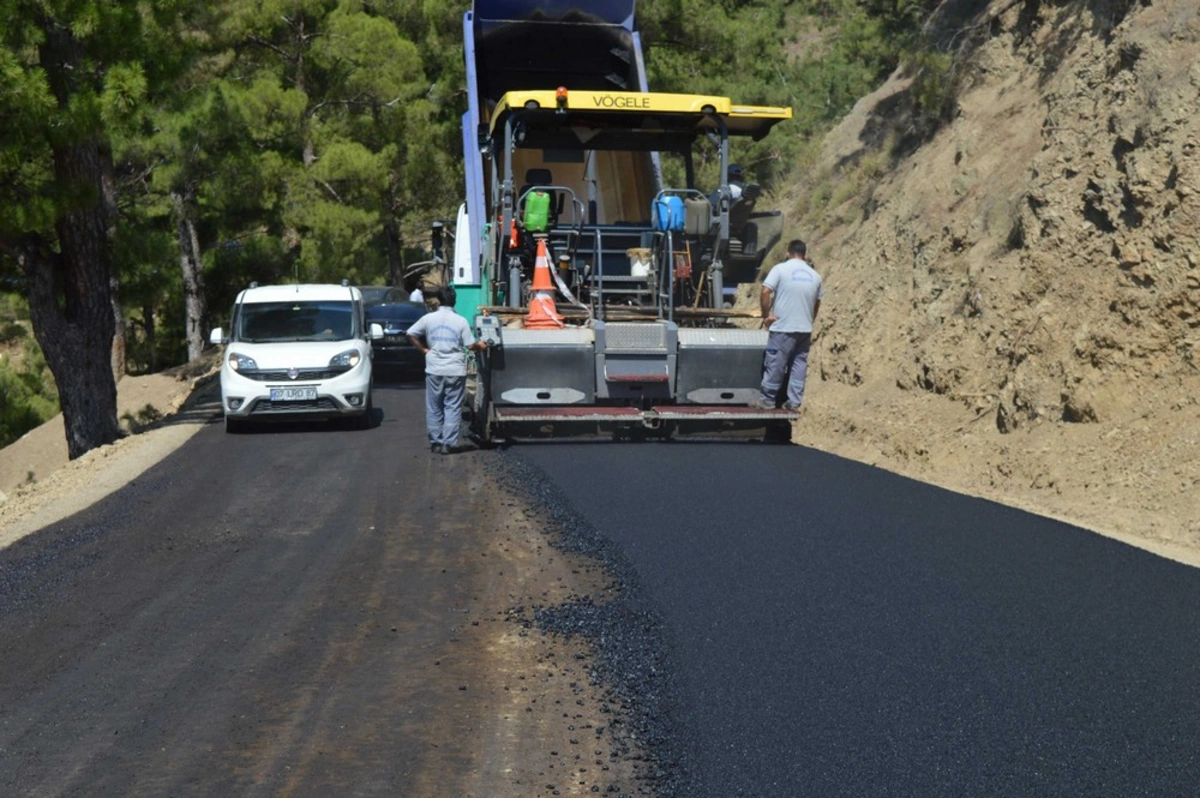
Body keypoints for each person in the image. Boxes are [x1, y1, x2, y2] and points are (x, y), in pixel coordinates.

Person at [406, 286, 487, 454]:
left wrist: (424, 350)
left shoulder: (428, 319)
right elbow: (470, 345)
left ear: (438, 300)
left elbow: (410, 333)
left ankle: (435, 441)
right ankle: (447, 443)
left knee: (434, 406)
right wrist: (481, 345)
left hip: (434, 368)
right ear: (454, 301)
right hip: (455, 370)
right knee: (452, 406)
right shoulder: (461, 321)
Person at [757, 239, 822, 411]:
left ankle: (768, 400)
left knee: (776, 363)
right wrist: (810, 319)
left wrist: (766, 316)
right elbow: (817, 301)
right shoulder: (815, 275)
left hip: (783, 328)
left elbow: (765, 291)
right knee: (798, 365)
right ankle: (794, 402)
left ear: (788, 253)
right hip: (804, 329)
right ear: (804, 255)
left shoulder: (780, 269)